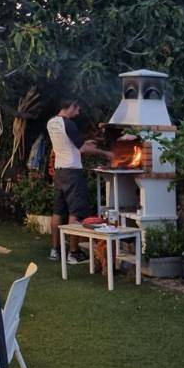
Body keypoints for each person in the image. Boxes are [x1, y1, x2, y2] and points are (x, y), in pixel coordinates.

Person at [46, 98, 111, 263]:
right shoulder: (69, 123)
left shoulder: (51, 123)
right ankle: (73, 253)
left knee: (58, 211)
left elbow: (70, 143)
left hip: (60, 171)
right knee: (75, 212)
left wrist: (86, 143)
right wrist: (105, 153)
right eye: (77, 109)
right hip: (73, 172)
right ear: (71, 107)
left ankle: (55, 251)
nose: (78, 112)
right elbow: (82, 149)